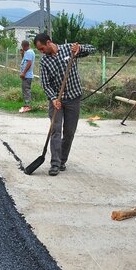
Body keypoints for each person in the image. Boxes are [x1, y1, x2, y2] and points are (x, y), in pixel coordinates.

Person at [34, 33, 95, 176]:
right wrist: (54, 98)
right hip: (57, 101)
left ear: (49, 42)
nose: (41, 52)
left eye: (42, 48)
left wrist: (79, 49)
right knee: (56, 130)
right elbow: (45, 83)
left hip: (73, 98)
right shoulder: (44, 61)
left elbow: (92, 49)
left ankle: (62, 161)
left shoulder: (69, 49)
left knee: (69, 132)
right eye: (39, 50)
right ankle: (54, 164)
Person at [18, 40, 36, 113]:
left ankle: (27, 106)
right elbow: (25, 61)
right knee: (25, 90)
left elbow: (29, 63)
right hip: (27, 75)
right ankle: (26, 105)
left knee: (26, 90)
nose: (22, 48)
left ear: (24, 46)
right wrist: (22, 54)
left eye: (22, 46)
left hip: (27, 75)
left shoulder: (29, 52)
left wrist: (24, 73)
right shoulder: (28, 52)